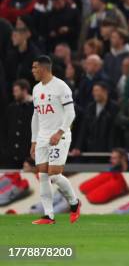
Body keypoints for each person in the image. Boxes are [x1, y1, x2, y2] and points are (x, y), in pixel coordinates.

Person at [30, 55, 81, 225]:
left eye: (35, 68)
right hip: (42, 137)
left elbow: (71, 113)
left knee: (55, 174)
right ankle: (49, 216)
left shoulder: (61, 87)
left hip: (60, 135)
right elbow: (36, 117)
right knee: (43, 175)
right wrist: (33, 141)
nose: (33, 71)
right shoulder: (36, 89)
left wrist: (59, 132)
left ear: (43, 69)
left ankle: (74, 203)